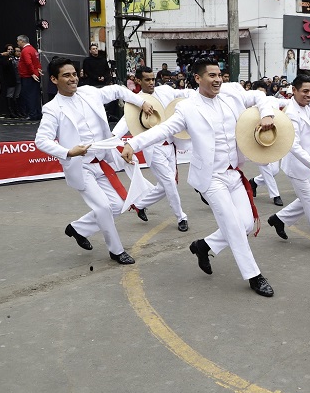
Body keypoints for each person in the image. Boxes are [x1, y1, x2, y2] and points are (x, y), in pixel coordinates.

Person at [121, 58, 276, 297]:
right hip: (211, 178)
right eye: (211, 76)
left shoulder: (233, 93)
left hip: (234, 172)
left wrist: (267, 115)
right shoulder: (187, 107)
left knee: (245, 224)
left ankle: (204, 246)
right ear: (197, 78)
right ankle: (254, 275)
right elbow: (163, 129)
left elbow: (261, 97)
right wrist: (133, 142)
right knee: (234, 226)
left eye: (219, 75)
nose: (217, 80)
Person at [35, 58, 154, 265]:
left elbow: (118, 90)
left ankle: (78, 228)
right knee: (103, 208)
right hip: (80, 167)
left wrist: (141, 102)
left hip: (102, 161)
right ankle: (116, 250)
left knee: (117, 205)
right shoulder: (52, 109)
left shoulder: (90, 92)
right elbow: (41, 140)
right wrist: (68, 152)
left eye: (74, 74)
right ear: (54, 79)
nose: (72, 79)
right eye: (66, 75)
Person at [112, 66, 191, 232]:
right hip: (154, 150)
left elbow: (184, 95)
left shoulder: (165, 91)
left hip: (170, 146)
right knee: (169, 182)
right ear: (138, 81)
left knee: (165, 185)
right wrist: (112, 139)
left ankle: (139, 205)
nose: (151, 82)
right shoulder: (135, 100)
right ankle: (181, 217)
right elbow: (125, 122)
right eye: (147, 79)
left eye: (153, 79)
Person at [268, 74, 310, 252]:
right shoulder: (290, 113)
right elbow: (293, 146)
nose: (309, 95)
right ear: (293, 91)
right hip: (297, 165)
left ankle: (279, 219)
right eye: (305, 91)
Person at [16, 35, 42, 121]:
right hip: (34, 75)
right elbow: (37, 62)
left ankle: (32, 114)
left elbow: (28, 62)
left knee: (29, 95)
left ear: (21, 41)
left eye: (18, 41)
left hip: (28, 76)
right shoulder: (33, 49)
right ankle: (37, 113)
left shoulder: (25, 50)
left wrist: (31, 73)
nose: (17, 43)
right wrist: (38, 71)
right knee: (35, 95)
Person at [2, 44, 23, 118]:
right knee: (10, 95)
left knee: (16, 96)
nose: (10, 51)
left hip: (18, 79)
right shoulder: (6, 59)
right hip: (11, 80)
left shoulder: (16, 59)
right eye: (9, 49)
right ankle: (11, 112)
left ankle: (17, 111)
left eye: (11, 49)